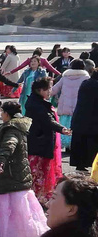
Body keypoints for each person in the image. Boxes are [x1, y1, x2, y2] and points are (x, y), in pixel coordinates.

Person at [0, 101, 48, 237]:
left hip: (11, 170)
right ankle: (15, 231)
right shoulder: (18, 125)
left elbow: (10, 143)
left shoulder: (11, 128)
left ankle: (18, 232)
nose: (1, 115)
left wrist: (1, 160)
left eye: (2, 112)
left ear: (7, 114)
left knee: (13, 202)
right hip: (18, 169)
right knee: (18, 202)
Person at [25, 77, 71, 206]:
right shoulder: (36, 104)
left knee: (39, 172)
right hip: (38, 142)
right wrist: (62, 129)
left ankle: (38, 198)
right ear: (40, 90)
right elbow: (47, 120)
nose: (50, 91)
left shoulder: (38, 101)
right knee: (38, 172)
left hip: (39, 141)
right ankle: (36, 199)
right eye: (48, 88)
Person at [51, 59, 88, 151]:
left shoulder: (65, 77)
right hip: (79, 107)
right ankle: (73, 146)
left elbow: (54, 89)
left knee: (64, 126)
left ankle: (66, 145)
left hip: (65, 107)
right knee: (76, 127)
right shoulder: (86, 78)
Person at [70, 69, 98, 171]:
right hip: (93, 121)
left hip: (80, 118)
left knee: (80, 142)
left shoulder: (85, 83)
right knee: (91, 144)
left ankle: (80, 164)